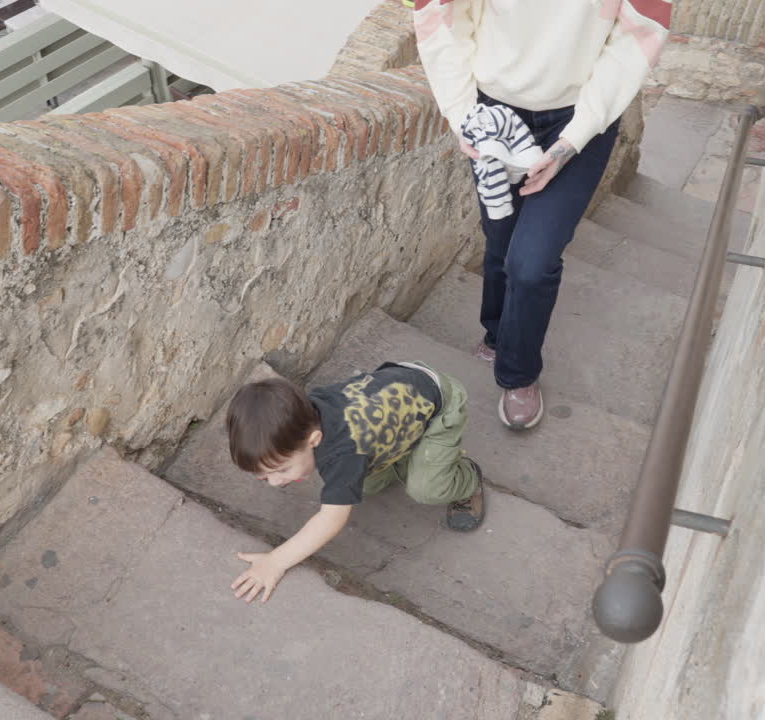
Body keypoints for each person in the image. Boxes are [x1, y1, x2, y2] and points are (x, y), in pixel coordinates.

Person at [414, 0, 672, 430]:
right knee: (499, 236)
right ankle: (497, 334)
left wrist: (572, 140)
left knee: (532, 263)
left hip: (581, 118)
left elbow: (637, 37)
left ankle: (518, 374)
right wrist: (463, 117)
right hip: (494, 114)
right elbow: (441, 19)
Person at [224, 361, 484, 603]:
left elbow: (331, 520)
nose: (273, 482)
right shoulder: (305, 412)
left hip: (439, 405)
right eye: (263, 476)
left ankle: (467, 479)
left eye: (280, 470)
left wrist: (276, 561)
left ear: (313, 440)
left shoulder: (342, 454)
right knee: (366, 484)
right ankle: (408, 456)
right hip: (399, 388)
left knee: (426, 488)